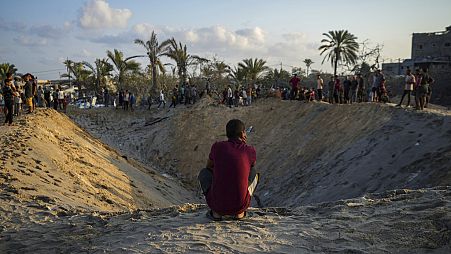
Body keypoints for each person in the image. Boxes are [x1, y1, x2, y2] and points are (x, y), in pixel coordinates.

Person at [198, 119, 259, 221]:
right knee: (253, 172)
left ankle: (216, 213)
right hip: (240, 205)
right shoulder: (250, 150)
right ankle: (240, 212)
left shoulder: (217, 147)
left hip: (217, 205)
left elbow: (208, 166)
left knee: (204, 173)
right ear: (242, 133)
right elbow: (251, 166)